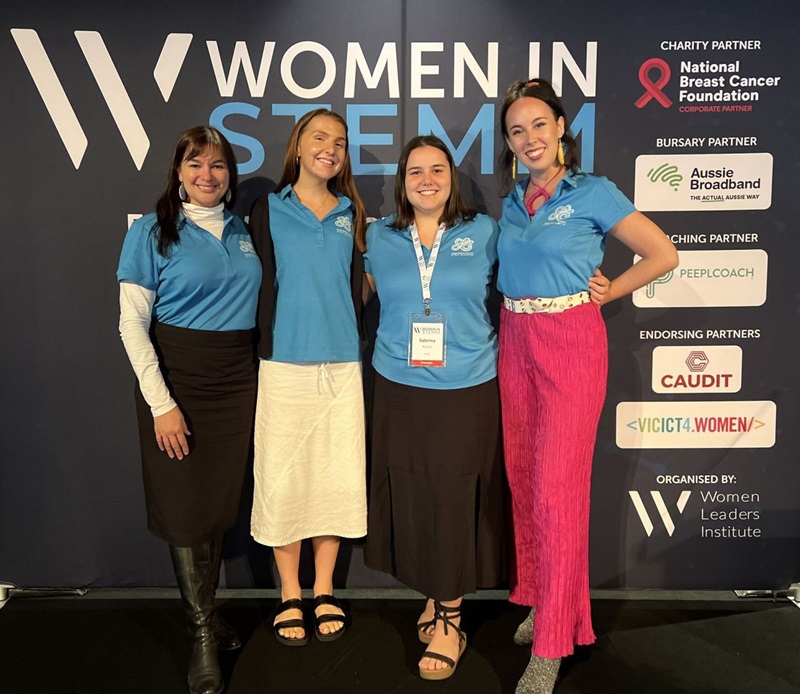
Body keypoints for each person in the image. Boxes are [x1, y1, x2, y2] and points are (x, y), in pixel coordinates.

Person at [496, 78, 679, 694]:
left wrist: (613, 289)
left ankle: (553, 643)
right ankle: (546, 602)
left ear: (561, 129)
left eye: (539, 126)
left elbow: (662, 254)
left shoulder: (593, 191)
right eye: (517, 131)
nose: (529, 139)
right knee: (524, 478)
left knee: (557, 489)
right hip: (514, 340)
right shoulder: (511, 199)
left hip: (572, 341)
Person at [117, 126, 261, 694]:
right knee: (182, 508)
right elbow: (131, 323)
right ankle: (202, 632)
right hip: (177, 378)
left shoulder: (243, 230)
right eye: (195, 164)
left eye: (218, 165)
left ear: (231, 174)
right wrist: (162, 403)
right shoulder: (152, 231)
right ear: (177, 171)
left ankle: (211, 613)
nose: (208, 175)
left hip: (236, 381)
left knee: (215, 507)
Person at [363, 135, 506, 681]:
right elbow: (354, 295)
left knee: (453, 495)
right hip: (397, 386)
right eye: (415, 170)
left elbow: (524, 285)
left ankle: (451, 615)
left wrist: (584, 284)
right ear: (403, 181)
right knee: (415, 493)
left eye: (438, 169)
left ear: (452, 177)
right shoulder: (379, 236)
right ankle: (434, 592)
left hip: (466, 386)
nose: (427, 179)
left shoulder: (484, 232)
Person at [248, 109, 368, 647]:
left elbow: (358, 286)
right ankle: (289, 593)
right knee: (283, 479)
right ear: (298, 146)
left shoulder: (351, 211)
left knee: (334, 480)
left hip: (342, 365)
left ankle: (323, 590)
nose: (331, 148)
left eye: (340, 142)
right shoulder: (266, 209)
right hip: (283, 364)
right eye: (320, 138)